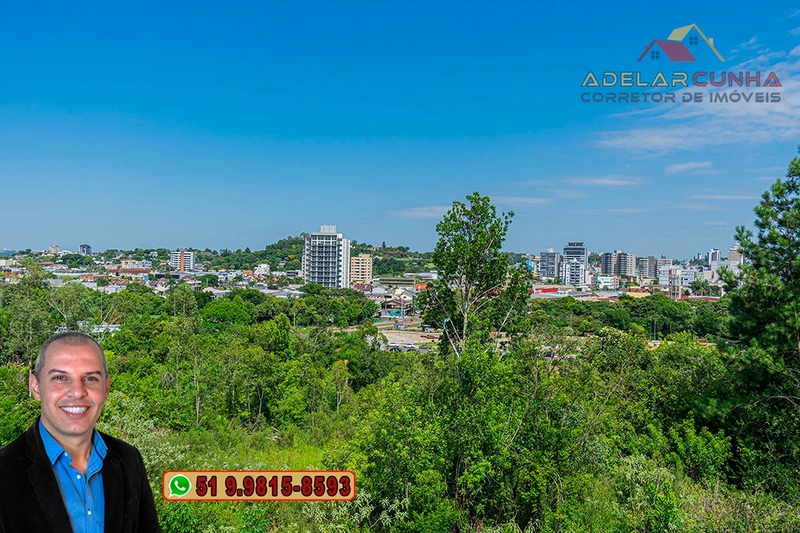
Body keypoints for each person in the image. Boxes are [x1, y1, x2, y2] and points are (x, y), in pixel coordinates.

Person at [0, 331, 161, 533]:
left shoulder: (129, 460)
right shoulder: (4, 470)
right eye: (60, 377)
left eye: (91, 378)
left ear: (106, 388)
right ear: (36, 386)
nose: (77, 392)